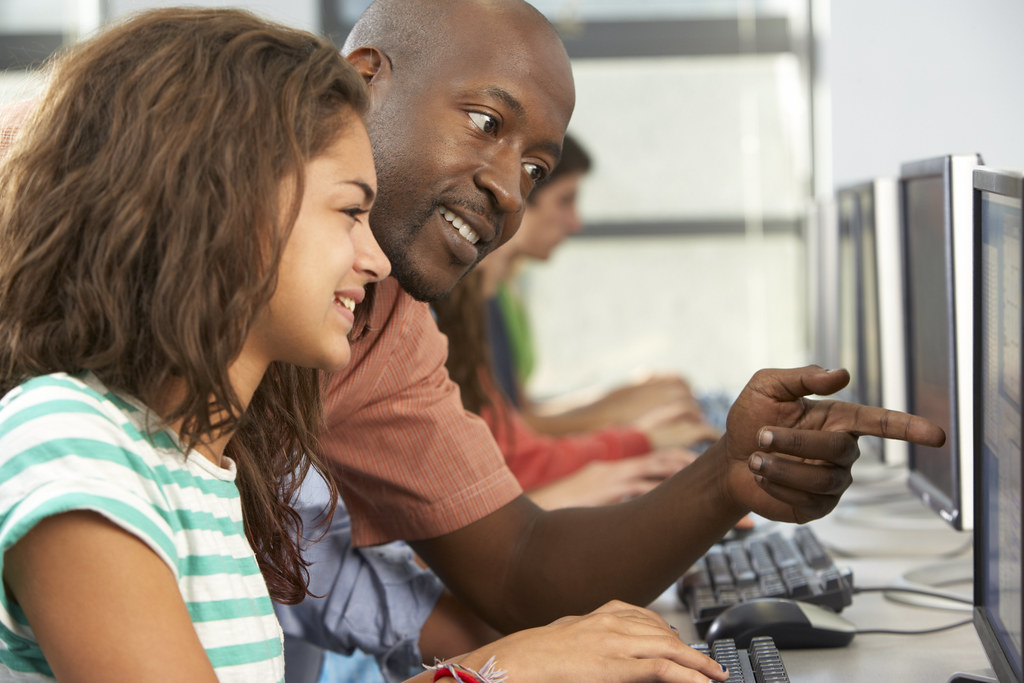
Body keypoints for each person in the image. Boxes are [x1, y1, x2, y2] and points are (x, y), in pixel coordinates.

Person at [0, 1, 946, 680]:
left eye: (535, 166)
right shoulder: (73, 431)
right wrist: (499, 670)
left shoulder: (236, 433)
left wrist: (726, 477)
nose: (512, 192)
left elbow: (521, 566)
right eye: (486, 124)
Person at [0, 8, 389, 679]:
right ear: (225, 200)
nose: (377, 260)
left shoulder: (203, 470)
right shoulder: (67, 436)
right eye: (351, 211)